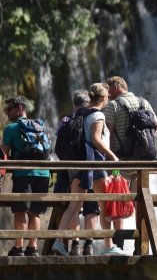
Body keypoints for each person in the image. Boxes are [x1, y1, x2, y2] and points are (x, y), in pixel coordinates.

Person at [54, 83, 124, 256]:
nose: (108, 99)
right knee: (105, 204)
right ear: (103, 98)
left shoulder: (80, 113)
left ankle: (58, 241)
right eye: (107, 96)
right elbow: (95, 140)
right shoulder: (98, 115)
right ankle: (109, 247)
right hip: (95, 164)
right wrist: (112, 156)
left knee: (73, 205)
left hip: (80, 164)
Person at [104, 76, 157, 248]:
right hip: (141, 165)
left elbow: (108, 133)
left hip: (118, 164)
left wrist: (108, 156)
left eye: (109, 88)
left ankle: (118, 244)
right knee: (141, 202)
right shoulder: (144, 103)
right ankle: (140, 243)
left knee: (117, 199)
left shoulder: (113, 106)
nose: (107, 92)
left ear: (116, 87)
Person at [1, 96, 50, 256]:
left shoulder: (11, 128)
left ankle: (18, 247)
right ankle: (33, 247)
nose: (7, 113)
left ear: (20, 108)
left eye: (10, 109)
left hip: (23, 174)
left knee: (20, 211)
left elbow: (4, 155)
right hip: (44, 174)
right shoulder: (39, 125)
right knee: (35, 212)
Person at [53, 90, 100, 256]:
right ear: (88, 102)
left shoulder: (65, 121)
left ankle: (75, 246)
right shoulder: (91, 118)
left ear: (74, 103)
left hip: (70, 168)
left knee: (75, 206)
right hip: (89, 167)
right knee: (91, 207)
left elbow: (58, 146)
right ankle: (89, 245)